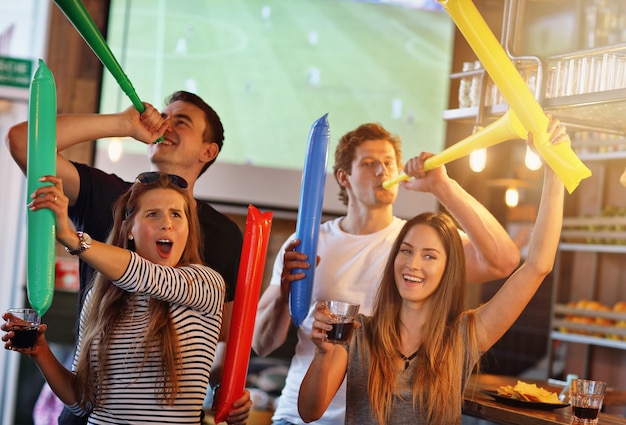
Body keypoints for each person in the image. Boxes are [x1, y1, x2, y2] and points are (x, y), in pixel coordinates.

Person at [298, 119, 567, 424]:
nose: (413, 264)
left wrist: (554, 172)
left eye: (429, 256)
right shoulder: (358, 333)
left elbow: (537, 266)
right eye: (406, 251)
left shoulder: (463, 337)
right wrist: (323, 353)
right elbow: (309, 412)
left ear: (448, 269)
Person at [6, 91, 250, 423]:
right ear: (129, 228)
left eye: (177, 215)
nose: (166, 222)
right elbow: (82, 399)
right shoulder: (100, 289)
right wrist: (40, 351)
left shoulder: (207, 275)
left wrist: (226, 389)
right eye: (152, 214)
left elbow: (219, 326)